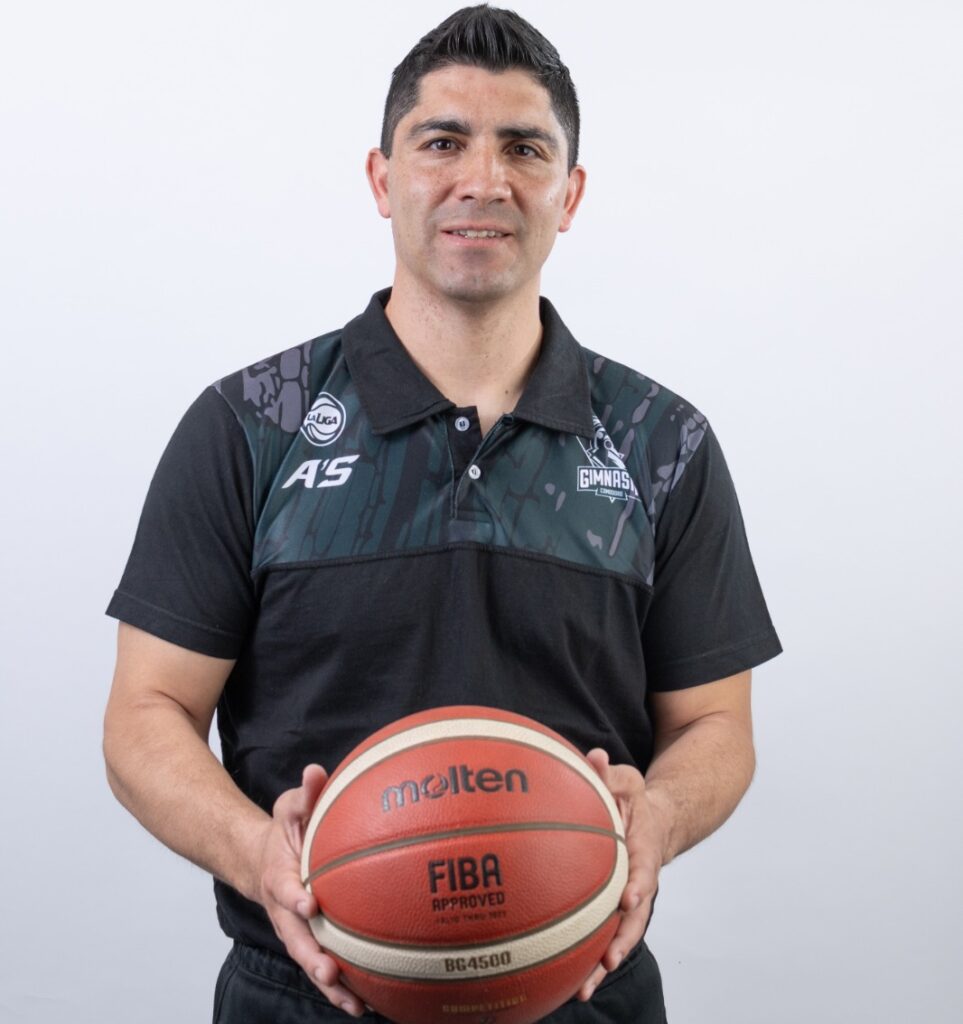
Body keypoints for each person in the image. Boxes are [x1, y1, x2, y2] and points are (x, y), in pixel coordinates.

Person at [103, 6, 781, 1022]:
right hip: (306, 989)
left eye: (525, 148)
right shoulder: (252, 425)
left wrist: (662, 814)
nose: (484, 180)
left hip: (579, 987)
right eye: (442, 142)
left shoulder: (660, 441)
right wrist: (257, 852)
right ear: (382, 179)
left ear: (569, 193)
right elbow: (144, 712)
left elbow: (715, 723)